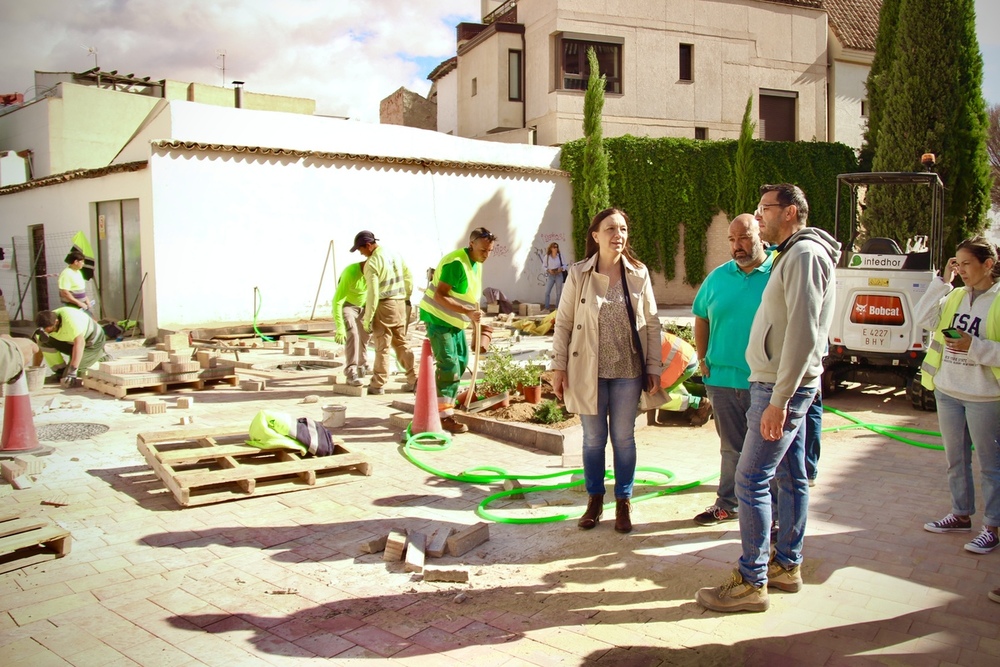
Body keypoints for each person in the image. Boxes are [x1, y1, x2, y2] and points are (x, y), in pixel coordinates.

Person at [696, 184, 841, 613]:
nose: (758, 218)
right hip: (778, 383)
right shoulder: (795, 253)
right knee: (791, 476)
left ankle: (751, 580)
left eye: (765, 210)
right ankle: (786, 565)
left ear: (791, 212)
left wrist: (779, 398)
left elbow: (802, 332)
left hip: (778, 386)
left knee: (750, 479)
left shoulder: (803, 256)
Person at [552, 207, 661, 534]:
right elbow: (564, 322)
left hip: (628, 369)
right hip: (589, 370)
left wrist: (653, 366)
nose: (619, 235)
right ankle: (595, 499)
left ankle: (624, 500)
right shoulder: (579, 273)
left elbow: (652, 323)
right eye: (611, 229)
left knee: (624, 439)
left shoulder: (638, 273)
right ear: (595, 235)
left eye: (623, 229)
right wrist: (558, 366)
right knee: (593, 438)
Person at [915, 236, 1000, 555]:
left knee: (992, 466)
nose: (961, 270)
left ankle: (992, 527)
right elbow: (923, 318)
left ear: (987, 264)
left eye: (966, 264)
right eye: (957, 263)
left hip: (985, 396)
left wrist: (974, 347)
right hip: (948, 390)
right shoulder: (954, 296)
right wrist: (941, 282)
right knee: (956, 460)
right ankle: (961, 514)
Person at [691, 213, 773, 526]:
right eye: (731, 239)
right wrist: (702, 358)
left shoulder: (777, 274)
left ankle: (772, 510)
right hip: (722, 380)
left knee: (766, 451)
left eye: (744, 238)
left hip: (762, 382)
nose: (737, 246)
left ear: (760, 236)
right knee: (731, 448)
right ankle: (728, 504)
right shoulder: (717, 278)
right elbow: (702, 317)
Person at [419, 227, 497, 434]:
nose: (486, 255)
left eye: (489, 251)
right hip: (438, 319)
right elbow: (440, 296)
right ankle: (444, 416)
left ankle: (444, 405)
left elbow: (469, 297)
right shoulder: (456, 264)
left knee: (461, 362)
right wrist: (467, 313)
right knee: (449, 364)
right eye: (483, 250)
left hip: (455, 321)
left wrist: (474, 325)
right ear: (471, 244)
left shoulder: (476, 262)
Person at [351, 230, 417, 396]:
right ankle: (414, 379)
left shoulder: (372, 263)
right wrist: (406, 297)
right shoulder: (394, 254)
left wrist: (367, 320)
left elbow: (372, 294)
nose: (360, 253)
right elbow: (408, 276)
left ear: (368, 245)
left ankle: (378, 383)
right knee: (401, 342)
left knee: (383, 346)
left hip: (384, 305)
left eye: (360, 249)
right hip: (400, 303)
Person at [646, 330, 712, 426]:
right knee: (665, 387)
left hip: (680, 364)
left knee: (653, 398)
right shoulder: (645, 331)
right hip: (687, 359)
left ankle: (697, 403)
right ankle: (692, 404)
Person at [33, 307, 112, 386]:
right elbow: (39, 349)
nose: (47, 332)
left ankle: (101, 358)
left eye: (49, 330)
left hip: (91, 343)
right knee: (44, 342)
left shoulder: (70, 321)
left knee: (79, 373)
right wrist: (34, 369)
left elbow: (80, 343)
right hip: (71, 341)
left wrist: (72, 372)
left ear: (56, 322)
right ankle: (60, 372)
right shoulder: (42, 328)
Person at [332, 259, 370, 387]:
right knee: (353, 334)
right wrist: (340, 328)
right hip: (347, 306)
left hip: (364, 306)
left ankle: (363, 365)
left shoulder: (374, 274)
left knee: (366, 334)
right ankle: (351, 372)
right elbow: (336, 301)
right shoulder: (351, 273)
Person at [59, 249, 93, 313]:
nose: (83, 264)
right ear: (76, 262)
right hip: (73, 305)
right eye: (82, 262)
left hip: (82, 304)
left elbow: (80, 288)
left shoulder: (78, 272)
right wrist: (78, 303)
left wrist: (86, 300)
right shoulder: (66, 273)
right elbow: (65, 292)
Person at [542, 242, 568, 311]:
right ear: (551, 248)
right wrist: (548, 270)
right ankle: (546, 307)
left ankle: (557, 308)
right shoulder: (547, 256)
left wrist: (561, 268)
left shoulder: (560, 256)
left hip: (559, 275)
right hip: (551, 275)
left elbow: (565, 265)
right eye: (554, 247)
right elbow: (544, 266)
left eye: (557, 247)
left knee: (558, 292)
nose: (556, 248)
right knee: (547, 292)